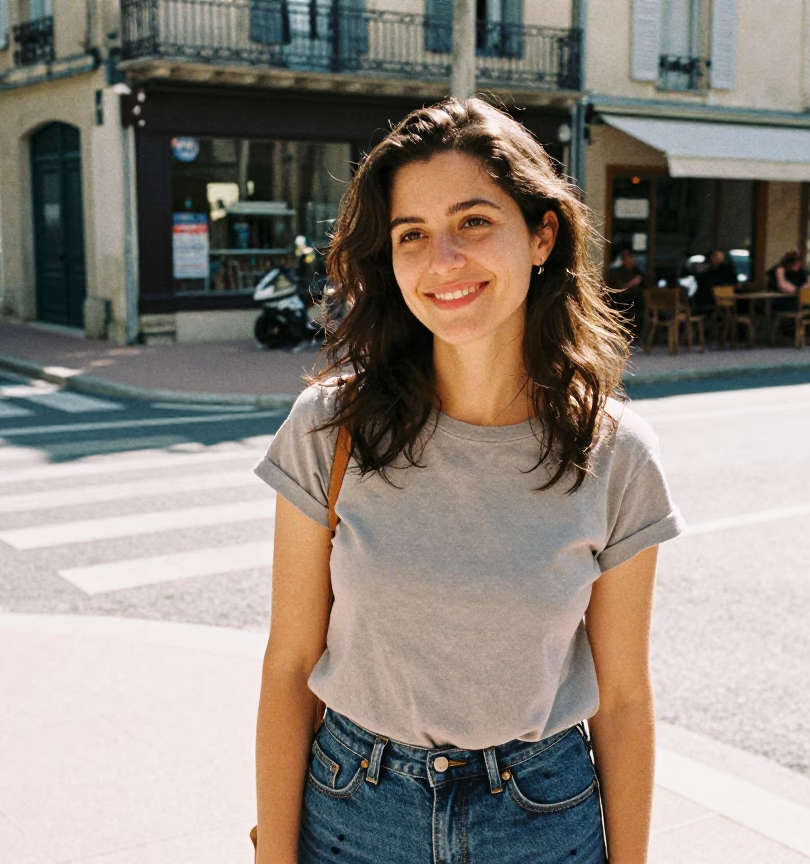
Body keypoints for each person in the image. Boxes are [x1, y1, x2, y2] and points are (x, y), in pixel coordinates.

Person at [253, 97, 686, 864]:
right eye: (411, 235)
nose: (442, 262)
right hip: (357, 811)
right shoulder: (330, 427)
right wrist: (273, 855)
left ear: (542, 234)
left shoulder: (616, 453)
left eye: (474, 222)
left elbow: (622, 700)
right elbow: (290, 665)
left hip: (542, 817)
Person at [607, 246, 645, 337]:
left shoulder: (636, 271)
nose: (631, 260)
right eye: (628, 257)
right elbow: (620, 288)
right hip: (621, 301)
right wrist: (632, 283)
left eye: (632, 257)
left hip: (637, 302)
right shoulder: (616, 272)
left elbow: (645, 282)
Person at [693, 248, 737, 316]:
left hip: (720, 304)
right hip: (707, 303)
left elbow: (732, 284)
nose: (716, 260)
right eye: (714, 257)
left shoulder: (726, 271)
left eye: (719, 257)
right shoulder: (705, 272)